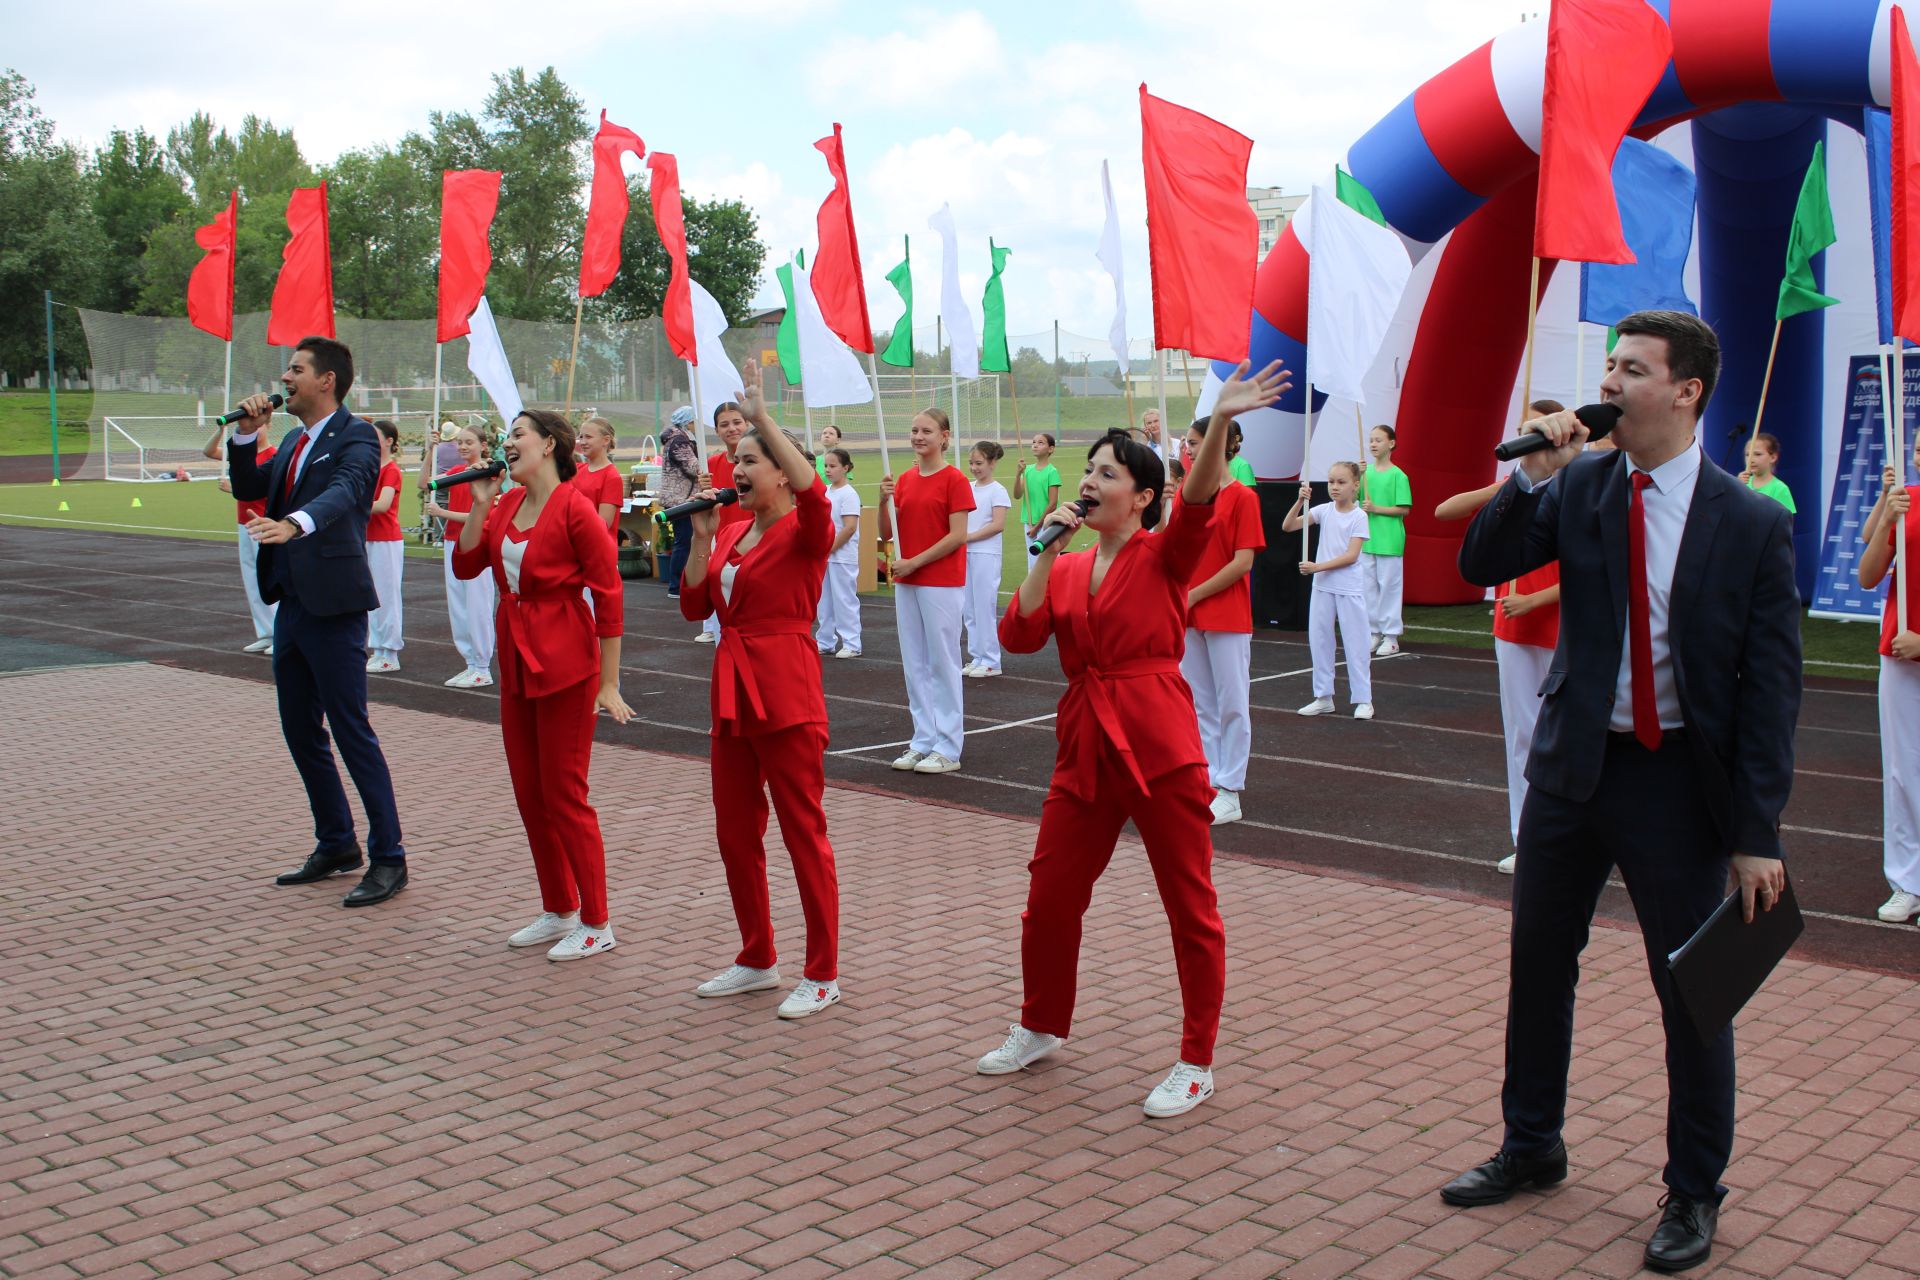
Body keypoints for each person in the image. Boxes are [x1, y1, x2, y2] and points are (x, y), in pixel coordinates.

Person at [1446, 310, 1799, 1274]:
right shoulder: (1586, 482)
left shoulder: (1753, 523)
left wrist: (1755, 830)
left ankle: (1693, 1191)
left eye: (1632, 370)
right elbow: (1480, 563)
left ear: (1685, 392)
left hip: (1678, 780)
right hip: (1573, 767)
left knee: (1694, 991)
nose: (1608, 384)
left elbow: (1772, 690)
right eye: (1607, 365)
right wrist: (1533, 474)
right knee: (1537, 964)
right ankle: (1532, 1146)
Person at [973, 358, 1289, 1119]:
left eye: (1107, 472)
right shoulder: (1071, 558)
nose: (1090, 480)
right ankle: (1042, 1024)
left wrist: (1214, 425)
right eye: (1088, 469)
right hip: (1084, 745)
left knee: (1190, 906)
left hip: (1158, 742)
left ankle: (1196, 1059)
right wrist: (1045, 546)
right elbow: (1017, 635)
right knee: (1048, 899)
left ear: (1144, 496)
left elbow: (1203, 498)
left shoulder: (1166, 551)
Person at [681, 359, 844, 1018]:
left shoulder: (807, 533)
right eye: (735, 457)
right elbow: (696, 607)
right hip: (732, 691)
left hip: (786, 689)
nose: (738, 468)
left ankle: (824, 971)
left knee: (803, 831)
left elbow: (816, 497)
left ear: (782, 469)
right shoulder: (728, 530)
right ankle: (757, 956)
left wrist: (764, 415)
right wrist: (699, 541)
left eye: (753, 458)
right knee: (734, 831)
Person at [224, 335, 410, 907]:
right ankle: (336, 842)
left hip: (334, 603)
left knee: (351, 729)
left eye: (296, 369)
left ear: (326, 380)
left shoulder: (355, 436)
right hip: (293, 603)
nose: (284, 377)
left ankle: (389, 857)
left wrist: (296, 524)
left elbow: (347, 491)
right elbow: (250, 486)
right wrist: (246, 434)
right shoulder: (292, 440)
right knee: (300, 729)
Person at [453, 410, 633, 960]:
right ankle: (559, 908)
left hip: (565, 663)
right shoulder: (506, 502)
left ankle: (597, 921)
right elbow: (465, 566)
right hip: (516, 656)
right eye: (506, 436)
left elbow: (609, 596)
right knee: (530, 793)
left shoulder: (577, 509)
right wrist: (480, 501)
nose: (507, 444)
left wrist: (608, 683)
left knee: (564, 793)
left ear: (549, 444)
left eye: (517, 435)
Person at [1434, 403, 1565, 877]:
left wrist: (1536, 601)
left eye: (1535, 428)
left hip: (1561, 626)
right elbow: (1444, 510)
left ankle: (1574, 842)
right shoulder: (1518, 486)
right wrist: (1513, 482)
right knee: (1522, 738)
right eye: (1523, 429)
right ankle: (1527, 840)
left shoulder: (1579, 483)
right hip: (1513, 629)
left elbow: (1591, 565)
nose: (1526, 435)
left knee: (1573, 739)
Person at [1173, 414, 1265, 825]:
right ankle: (1208, 780)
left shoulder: (1243, 497)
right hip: (1186, 613)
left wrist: (1193, 593)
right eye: (1189, 442)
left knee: (1232, 704)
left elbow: (1242, 562)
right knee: (1198, 704)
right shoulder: (1185, 497)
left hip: (1225, 613)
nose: (1189, 449)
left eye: (1195, 442)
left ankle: (1231, 789)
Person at [878, 408, 973, 774]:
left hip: (941, 581)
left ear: (944, 437)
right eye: (914, 430)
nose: (918, 437)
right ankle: (923, 740)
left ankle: (949, 746)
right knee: (914, 662)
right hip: (908, 580)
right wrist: (885, 499)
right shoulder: (903, 479)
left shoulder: (954, 480)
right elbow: (888, 532)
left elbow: (958, 535)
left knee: (942, 662)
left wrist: (915, 562)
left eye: (927, 431)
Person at [1860, 449, 1920, 924]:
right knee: (1902, 771)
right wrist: (1887, 515)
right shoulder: (1908, 500)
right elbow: (1868, 575)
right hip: (1900, 654)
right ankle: (1907, 882)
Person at [1284, 463, 1373, 719]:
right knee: (1320, 641)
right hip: (1323, 587)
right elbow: (1289, 526)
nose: (1334, 487)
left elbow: (1352, 556)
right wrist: (1300, 501)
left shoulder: (1359, 517)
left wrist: (1317, 566)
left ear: (1355, 485)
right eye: (1331, 481)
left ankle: (1364, 700)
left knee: (1356, 644)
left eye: (1341, 482)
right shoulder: (1323, 510)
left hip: (1348, 588)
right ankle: (1323, 697)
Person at [423, 424, 498, 688]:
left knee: (478, 605)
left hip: (476, 543)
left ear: (483, 445)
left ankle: (482, 666)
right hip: (452, 542)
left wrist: (442, 513)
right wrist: (431, 451)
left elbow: (480, 517)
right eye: (460, 443)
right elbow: (425, 483)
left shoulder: (487, 474)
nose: (464, 447)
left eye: (470, 442)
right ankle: (470, 663)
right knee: (459, 606)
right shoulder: (456, 473)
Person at [205, 419, 277, 654]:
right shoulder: (242, 455)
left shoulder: (274, 456)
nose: (255, 432)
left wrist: (233, 489)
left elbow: (268, 488)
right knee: (253, 580)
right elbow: (208, 451)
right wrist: (221, 430)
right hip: (244, 524)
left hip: (264, 522)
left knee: (270, 579)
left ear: (268, 426)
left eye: (259, 427)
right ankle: (266, 633)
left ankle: (281, 634)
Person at [695, 403, 754, 643]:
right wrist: (704, 491)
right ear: (717, 430)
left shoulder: (759, 462)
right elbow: (707, 509)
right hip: (721, 545)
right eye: (724, 424)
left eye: (737, 422)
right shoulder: (711, 466)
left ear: (747, 424)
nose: (732, 428)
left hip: (754, 543)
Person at [962, 440, 1012, 678]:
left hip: (985, 554)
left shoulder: (997, 490)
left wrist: (969, 537)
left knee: (984, 607)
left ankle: (992, 660)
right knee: (969, 608)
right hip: (967, 553)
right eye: (971, 463)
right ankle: (977, 656)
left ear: (993, 463)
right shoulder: (968, 487)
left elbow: (998, 525)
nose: (974, 467)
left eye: (979, 463)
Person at [1360, 425, 1412, 657]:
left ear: (1391, 443)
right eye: (1371, 440)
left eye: (1378, 440)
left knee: (1389, 588)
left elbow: (1403, 509)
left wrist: (1376, 508)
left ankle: (1391, 637)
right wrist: (1357, 475)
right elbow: (1352, 500)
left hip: (1390, 540)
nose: (1373, 444)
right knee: (1367, 588)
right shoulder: (1365, 474)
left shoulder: (1398, 475)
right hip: (1367, 539)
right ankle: (1373, 632)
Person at [364, 420, 405, 674]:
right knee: (370, 596)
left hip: (386, 540)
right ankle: (378, 648)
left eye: (375, 436)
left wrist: (352, 503)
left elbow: (382, 504)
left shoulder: (391, 470)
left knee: (386, 597)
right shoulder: (369, 468)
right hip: (367, 538)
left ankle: (390, 652)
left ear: (388, 441)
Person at [814, 447, 862, 658]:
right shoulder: (824, 491)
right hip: (825, 555)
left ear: (845, 468)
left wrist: (829, 548)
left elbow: (849, 527)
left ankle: (852, 643)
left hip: (842, 556)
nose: (828, 470)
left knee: (844, 600)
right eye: (826, 466)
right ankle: (825, 641)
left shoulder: (849, 494)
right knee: (823, 601)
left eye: (833, 466)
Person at [657, 407, 701, 599]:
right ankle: (676, 586)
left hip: (679, 497)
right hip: (680, 498)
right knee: (684, 542)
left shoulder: (675, 439)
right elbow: (693, 467)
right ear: (688, 422)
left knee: (684, 541)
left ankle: (678, 584)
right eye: (695, 421)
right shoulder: (680, 441)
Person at [1013, 433, 1063, 569]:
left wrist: (1037, 527)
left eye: (1041, 443)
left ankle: (1053, 588)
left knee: (1049, 560)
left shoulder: (1052, 472)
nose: (1035, 445)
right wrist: (1018, 474)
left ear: (1050, 449)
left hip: (1047, 524)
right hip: (1029, 523)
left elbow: (1052, 504)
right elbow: (1017, 495)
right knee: (1033, 562)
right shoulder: (1027, 470)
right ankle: (1035, 590)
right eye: (1034, 442)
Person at [571, 415, 624, 534]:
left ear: (606, 440)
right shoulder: (577, 470)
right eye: (581, 437)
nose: (582, 442)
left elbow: (603, 524)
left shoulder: (611, 476)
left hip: (595, 547)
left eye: (588, 437)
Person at [1739, 432, 1797, 514]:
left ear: (1773, 457)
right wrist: (1736, 487)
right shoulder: (1740, 483)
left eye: (1757, 454)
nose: (1750, 460)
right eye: (1747, 455)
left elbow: (1785, 523)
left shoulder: (1780, 489)